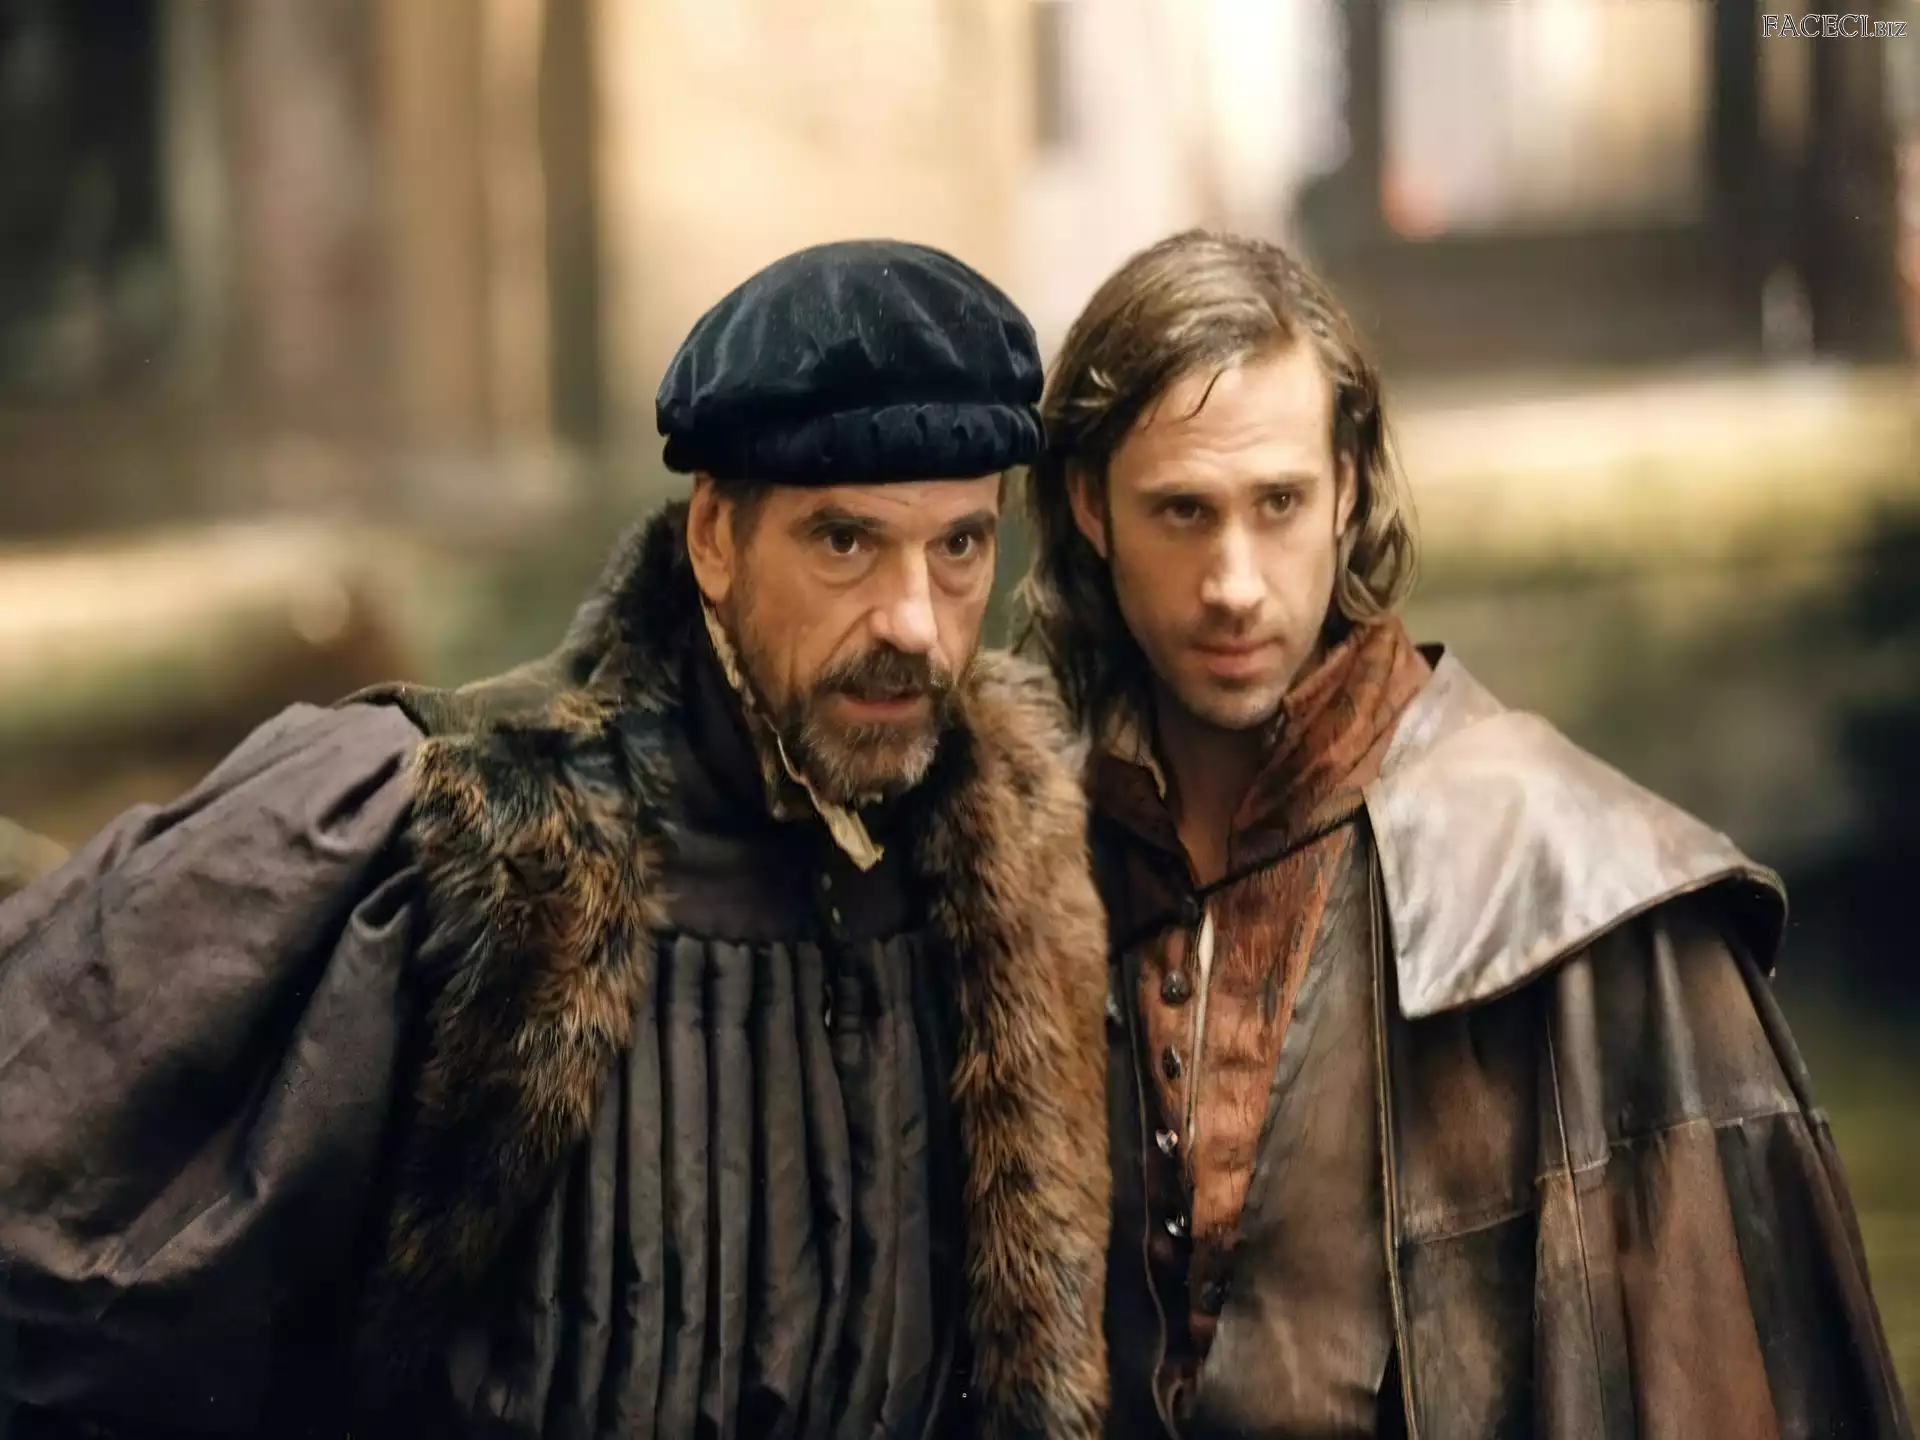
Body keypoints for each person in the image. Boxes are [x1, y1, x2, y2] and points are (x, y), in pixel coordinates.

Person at [0, 239, 1112, 1439]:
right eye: (845, 542)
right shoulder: (455, 822)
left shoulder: (1011, 868)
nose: (915, 624)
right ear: (715, 539)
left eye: (959, 547)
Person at [1016, 228, 1912, 1439]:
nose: (1234, 582)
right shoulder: (1026, 873)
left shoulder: (1585, 887)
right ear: (1090, 507)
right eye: (1183, 512)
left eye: (1279, 504)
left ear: (1345, 490)